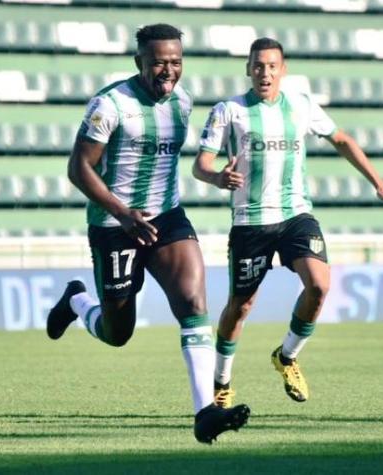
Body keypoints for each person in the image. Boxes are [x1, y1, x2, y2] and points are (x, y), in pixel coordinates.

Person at [45, 23, 250, 444]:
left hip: (167, 217)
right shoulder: (109, 105)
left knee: (194, 302)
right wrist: (122, 214)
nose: (168, 70)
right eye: (159, 61)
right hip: (114, 225)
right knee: (118, 333)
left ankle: (205, 413)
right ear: (140, 61)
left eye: (176, 61)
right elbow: (78, 168)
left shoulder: (183, 103)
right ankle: (77, 300)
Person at [192, 38, 383, 408]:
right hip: (250, 222)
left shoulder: (301, 106)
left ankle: (287, 355)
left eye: (272, 66)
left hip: (295, 216)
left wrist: (379, 183)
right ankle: (221, 382)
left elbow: (341, 139)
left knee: (320, 285)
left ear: (283, 70)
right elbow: (201, 164)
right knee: (240, 307)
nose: (265, 72)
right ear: (248, 69)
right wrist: (217, 179)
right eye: (258, 65)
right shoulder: (230, 111)